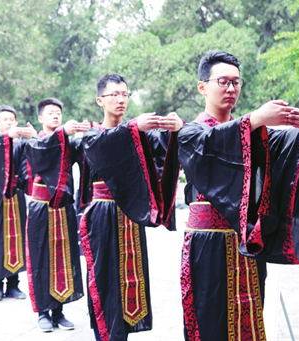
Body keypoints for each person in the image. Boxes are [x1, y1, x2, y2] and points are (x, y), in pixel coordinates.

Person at [177, 50, 299, 341]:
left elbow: (289, 147)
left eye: (236, 82)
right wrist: (255, 118)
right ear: (202, 87)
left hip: (247, 242)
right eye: (222, 81)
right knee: (209, 317)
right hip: (207, 244)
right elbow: (212, 143)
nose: (231, 88)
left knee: (249, 318)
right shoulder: (191, 133)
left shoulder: (257, 133)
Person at [80, 73, 182, 341]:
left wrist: (175, 130)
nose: (121, 99)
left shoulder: (138, 135)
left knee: (130, 276)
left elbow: (161, 159)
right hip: (102, 216)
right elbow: (106, 145)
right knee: (104, 277)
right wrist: (135, 126)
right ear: (100, 100)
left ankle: (122, 333)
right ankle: (105, 335)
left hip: (131, 215)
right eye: (114, 94)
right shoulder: (93, 135)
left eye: (125, 94)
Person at [25, 98, 89, 332]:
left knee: (64, 257)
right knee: (41, 258)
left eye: (59, 113)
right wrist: (63, 132)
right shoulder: (33, 141)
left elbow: (85, 155)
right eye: (50, 113)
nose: (55, 116)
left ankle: (59, 310)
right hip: (41, 208)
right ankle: (43, 311)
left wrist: (89, 133)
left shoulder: (67, 142)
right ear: (40, 118)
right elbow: (41, 153)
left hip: (63, 208)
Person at [0, 105, 35, 302]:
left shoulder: (19, 143)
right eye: (5, 119)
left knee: (16, 236)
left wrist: (31, 138)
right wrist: (7, 136)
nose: (9, 122)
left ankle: (13, 283)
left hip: (15, 194)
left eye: (12, 119)